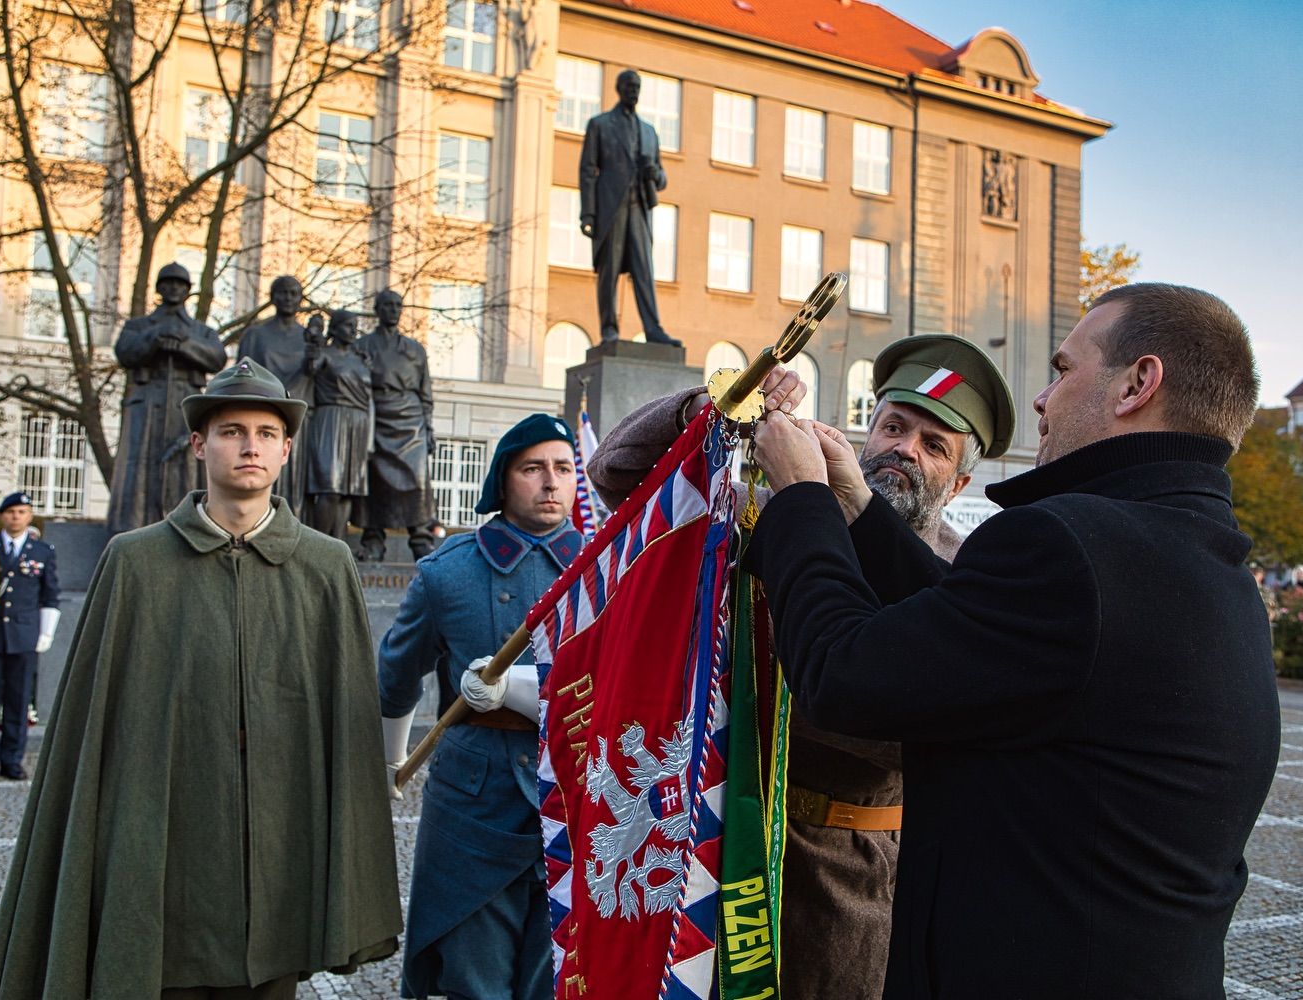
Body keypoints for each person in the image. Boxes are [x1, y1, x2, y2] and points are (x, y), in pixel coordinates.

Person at [747, 282, 1281, 998]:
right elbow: (960, 622)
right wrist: (856, 505)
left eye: (1064, 370)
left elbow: (842, 674)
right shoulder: (1200, 560)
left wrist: (802, 497)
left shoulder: (1070, 544)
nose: (1042, 400)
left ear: (1137, 384)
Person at [588, 336, 1014, 997]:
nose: (906, 449)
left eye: (934, 445)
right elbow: (617, 476)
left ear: (959, 482)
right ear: (863, 435)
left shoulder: (966, 580)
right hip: (716, 838)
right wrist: (710, 410)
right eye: (894, 427)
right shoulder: (778, 507)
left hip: (846, 870)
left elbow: (902, 731)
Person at [0, 359, 402, 999]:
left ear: (287, 451)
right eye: (232, 431)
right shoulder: (136, 561)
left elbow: (344, 721)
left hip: (281, 843)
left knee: (271, 975)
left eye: (265, 433)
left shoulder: (325, 565)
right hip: (164, 846)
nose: (250, 445)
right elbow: (91, 731)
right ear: (201, 445)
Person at [378, 414, 583, 1000]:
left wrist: (519, 689)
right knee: (475, 979)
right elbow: (397, 674)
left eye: (564, 469)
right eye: (533, 468)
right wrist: (394, 761)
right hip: (474, 801)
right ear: (502, 480)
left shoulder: (607, 568)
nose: (550, 482)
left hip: (572, 796)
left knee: (561, 976)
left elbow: (629, 679)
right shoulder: (451, 571)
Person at [107, 261, 227, 534]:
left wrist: (184, 344)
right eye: (169, 282)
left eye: (180, 284)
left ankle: (186, 528)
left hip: (185, 402)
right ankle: (131, 530)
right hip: (147, 401)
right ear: (159, 287)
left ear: (188, 290)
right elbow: (125, 352)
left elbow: (216, 358)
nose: (174, 288)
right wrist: (155, 339)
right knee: (138, 468)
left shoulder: (201, 331)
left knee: (185, 466)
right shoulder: (139, 326)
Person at [578, 68, 680, 346]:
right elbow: (588, 170)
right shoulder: (600, 124)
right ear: (619, 88)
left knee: (644, 270)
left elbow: (662, 176)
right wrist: (588, 212)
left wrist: (653, 174)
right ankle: (609, 329)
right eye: (629, 86)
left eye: (637, 86)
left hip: (640, 209)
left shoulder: (649, 131)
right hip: (610, 208)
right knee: (608, 271)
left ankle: (653, 329)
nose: (634, 91)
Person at [0, 491, 59, 782]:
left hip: (24, 636)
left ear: (30, 516)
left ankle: (12, 760)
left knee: (18, 701)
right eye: (10, 512)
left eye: (21, 512)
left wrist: (46, 632)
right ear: (2, 516)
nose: (16, 517)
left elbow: (49, 595)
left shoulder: (42, 552)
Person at [355, 289, 439, 562]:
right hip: (376, 415)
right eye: (387, 305)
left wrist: (428, 428)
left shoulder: (415, 348)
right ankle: (373, 540)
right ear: (377, 309)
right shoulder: (363, 345)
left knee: (417, 481)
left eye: (397, 306)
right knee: (374, 482)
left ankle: (421, 539)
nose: (392, 310)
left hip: (410, 419)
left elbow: (426, 393)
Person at [238, 275, 320, 519]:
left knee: (295, 479)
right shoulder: (255, 335)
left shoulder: (309, 338)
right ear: (273, 297)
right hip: (262, 415)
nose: (287, 298)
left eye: (293, 293)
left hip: (299, 416)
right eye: (282, 292)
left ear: (300, 299)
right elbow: (242, 375)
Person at [305, 310, 373, 541]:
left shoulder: (361, 359)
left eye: (355, 326)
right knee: (329, 488)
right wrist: (314, 339)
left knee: (347, 492)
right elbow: (310, 369)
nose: (353, 331)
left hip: (358, 423)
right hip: (331, 420)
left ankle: (339, 543)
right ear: (334, 328)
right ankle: (319, 545)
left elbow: (369, 399)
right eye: (347, 326)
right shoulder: (325, 354)